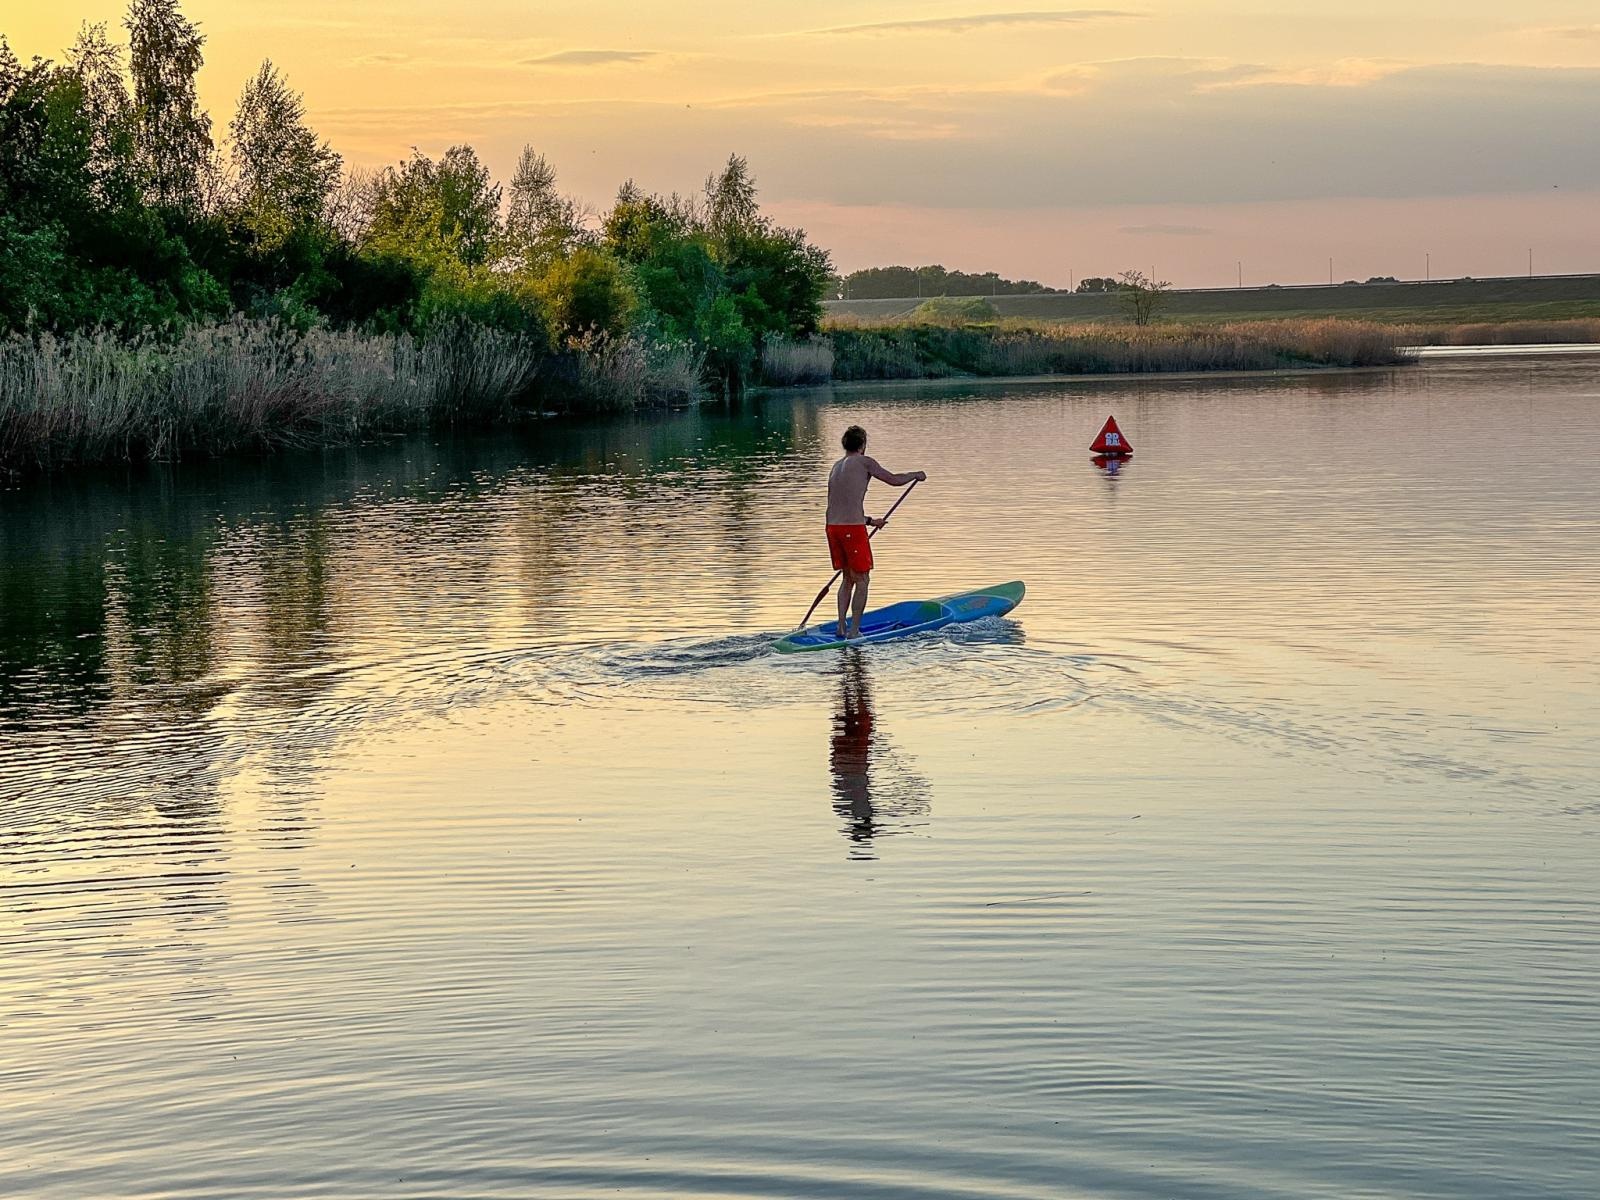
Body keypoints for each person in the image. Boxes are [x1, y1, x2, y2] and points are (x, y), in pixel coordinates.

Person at [825, 425, 926, 638]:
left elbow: (841, 505)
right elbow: (894, 480)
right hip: (851, 529)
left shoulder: (835, 466)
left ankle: (841, 627)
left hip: (833, 528)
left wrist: (870, 521)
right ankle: (854, 632)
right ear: (862, 445)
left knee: (848, 578)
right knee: (862, 579)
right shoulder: (865, 462)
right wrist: (915, 475)